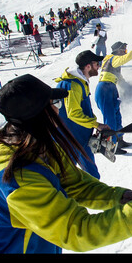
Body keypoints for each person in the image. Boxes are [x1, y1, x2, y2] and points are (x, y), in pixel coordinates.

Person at [0, 74, 132, 254]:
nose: (60, 110)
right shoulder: (18, 180)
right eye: (54, 104)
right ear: (38, 115)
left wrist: (118, 197)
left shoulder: (40, 147)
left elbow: (76, 184)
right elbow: (76, 230)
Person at [55, 50, 109, 179]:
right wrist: (96, 124)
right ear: (88, 66)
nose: (99, 66)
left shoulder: (80, 82)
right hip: (71, 137)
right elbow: (73, 113)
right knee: (66, 174)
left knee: (91, 173)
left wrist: (93, 126)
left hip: (79, 135)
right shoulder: (73, 85)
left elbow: (84, 110)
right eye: (96, 63)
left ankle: (94, 192)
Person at [95, 43, 132, 153]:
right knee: (110, 118)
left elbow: (121, 81)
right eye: (124, 50)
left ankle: (119, 140)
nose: (125, 52)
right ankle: (111, 145)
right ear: (118, 50)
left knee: (117, 115)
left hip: (111, 87)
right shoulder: (112, 59)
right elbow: (123, 59)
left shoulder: (115, 65)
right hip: (104, 88)